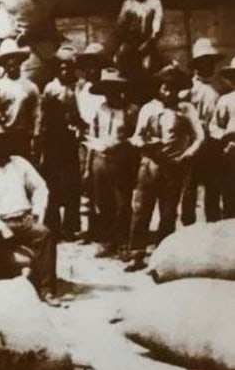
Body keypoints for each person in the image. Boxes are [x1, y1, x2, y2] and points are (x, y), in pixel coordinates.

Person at [0, 121, 60, 304]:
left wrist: (36, 212)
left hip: (24, 219)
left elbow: (40, 187)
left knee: (45, 234)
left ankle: (46, 289)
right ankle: (4, 285)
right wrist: (1, 227)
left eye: (1, 142)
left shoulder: (20, 163)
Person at [125, 63, 204, 271]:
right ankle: (137, 253)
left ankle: (162, 255)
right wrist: (144, 144)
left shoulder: (186, 109)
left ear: (179, 89)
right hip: (150, 165)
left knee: (168, 212)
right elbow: (136, 136)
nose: (169, 92)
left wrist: (187, 155)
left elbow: (199, 137)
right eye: (165, 87)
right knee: (141, 209)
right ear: (159, 87)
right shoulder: (149, 108)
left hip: (174, 167)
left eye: (174, 88)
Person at [84, 69, 139, 259]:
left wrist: (122, 145)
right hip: (100, 160)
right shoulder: (100, 109)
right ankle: (107, 241)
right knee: (103, 203)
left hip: (121, 162)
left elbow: (136, 137)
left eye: (114, 88)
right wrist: (87, 167)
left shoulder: (131, 110)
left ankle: (123, 242)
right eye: (107, 89)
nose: (111, 93)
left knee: (122, 204)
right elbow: (92, 136)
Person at [36, 44, 83, 238]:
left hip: (73, 140)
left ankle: (71, 225)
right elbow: (43, 115)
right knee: (53, 184)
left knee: (73, 184)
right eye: (61, 67)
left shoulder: (79, 87)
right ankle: (53, 225)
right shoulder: (51, 87)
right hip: (53, 141)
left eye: (68, 67)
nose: (65, 71)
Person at [180, 37, 223, 225]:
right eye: (202, 62)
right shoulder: (189, 88)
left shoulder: (220, 86)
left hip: (214, 144)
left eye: (210, 61)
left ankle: (212, 224)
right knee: (189, 186)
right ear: (196, 65)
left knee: (213, 186)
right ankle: (188, 224)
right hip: (193, 142)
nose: (207, 66)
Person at [74, 42, 110, 242]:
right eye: (87, 65)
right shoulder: (83, 89)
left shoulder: (107, 88)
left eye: (94, 65)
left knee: (102, 186)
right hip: (84, 141)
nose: (90, 69)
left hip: (101, 142)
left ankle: (105, 228)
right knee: (86, 185)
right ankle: (90, 229)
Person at [0, 38, 40, 161]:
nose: (12, 67)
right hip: (3, 133)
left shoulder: (30, 86)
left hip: (23, 134)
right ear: (4, 66)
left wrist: (36, 134)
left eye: (15, 63)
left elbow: (36, 113)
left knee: (23, 163)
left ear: (20, 63)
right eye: (8, 64)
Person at [116, 0, 164, 92]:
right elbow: (120, 26)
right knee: (121, 62)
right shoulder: (128, 4)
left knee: (151, 68)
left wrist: (150, 41)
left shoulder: (155, 3)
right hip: (131, 43)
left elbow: (157, 24)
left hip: (148, 42)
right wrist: (129, 42)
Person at [211, 56, 235, 218]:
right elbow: (213, 126)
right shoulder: (226, 100)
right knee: (230, 195)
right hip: (231, 153)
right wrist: (225, 136)